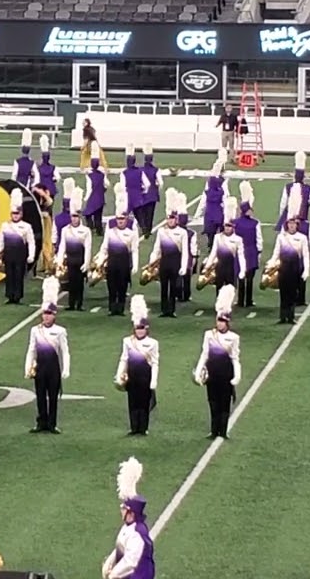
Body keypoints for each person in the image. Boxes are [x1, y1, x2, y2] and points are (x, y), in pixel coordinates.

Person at [193, 286, 241, 440]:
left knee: (224, 404)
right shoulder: (209, 335)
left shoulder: (234, 338)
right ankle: (214, 430)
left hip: (226, 374)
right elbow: (204, 354)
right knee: (213, 402)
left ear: (227, 323)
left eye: (222, 321)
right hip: (212, 374)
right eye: (218, 321)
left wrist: (237, 376)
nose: (219, 324)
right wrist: (199, 370)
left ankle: (223, 431)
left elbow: (235, 358)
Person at [25, 277, 70, 433]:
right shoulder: (35, 330)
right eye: (44, 313)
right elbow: (31, 349)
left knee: (53, 397)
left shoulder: (60, 331)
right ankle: (41, 422)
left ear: (54, 315)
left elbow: (65, 351)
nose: (46, 316)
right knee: (40, 396)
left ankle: (52, 424)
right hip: (40, 368)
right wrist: (28, 367)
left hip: (53, 369)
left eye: (49, 314)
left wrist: (66, 369)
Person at [101, 457, 154, 579]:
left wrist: (114, 574)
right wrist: (110, 563)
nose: (121, 510)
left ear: (131, 513)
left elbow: (130, 562)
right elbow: (121, 548)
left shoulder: (137, 533)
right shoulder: (128, 527)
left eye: (124, 509)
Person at [117, 296, 159, 436]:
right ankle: (134, 427)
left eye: (142, 329)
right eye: (137, 329)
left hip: (145, 376)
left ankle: (143, 428)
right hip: (132, 376)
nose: (139, 331)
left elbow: (155, 363)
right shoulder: (127, 341)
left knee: (144, 402)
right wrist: (119, 374)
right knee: (132, 401)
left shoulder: (153, 343)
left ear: (146, 329)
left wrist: (154, 380)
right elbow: (124, 359)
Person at [271, 187, 310, 324]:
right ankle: (282, 317)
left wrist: (306, 270)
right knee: (283, 293)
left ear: (297, 225)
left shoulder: (302, 238)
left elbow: (305, 255)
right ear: (287, 225)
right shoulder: (281, 237)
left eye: (294, 224)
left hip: (295, 269)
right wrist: (271, 264)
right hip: (283, 268)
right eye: (290, 224)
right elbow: (276, 253)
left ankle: (291, 316)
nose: (292, 226)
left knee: (293, 293)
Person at [99, 184, 141, 316]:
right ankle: (112, 308)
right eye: (118, 219)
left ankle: (120, 308)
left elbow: (134, 249)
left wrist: (135, 265)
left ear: (126, 219)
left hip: (124, 263)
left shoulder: (131, 232)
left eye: (122, 219)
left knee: (122, 286)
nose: (120, 221)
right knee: (112, 286)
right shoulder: (110, 231)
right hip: (112, 262)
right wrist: (100, 260)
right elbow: (104, 246)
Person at [150, 189, 189, 318]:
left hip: (175, 263)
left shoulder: (182, 233)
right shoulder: (161, 232)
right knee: (163, 287)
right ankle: (164, 309)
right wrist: (152, 260)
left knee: (173, 287)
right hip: (164, 263)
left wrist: (184, 266)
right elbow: (157, 248)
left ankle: (171, 310)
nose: (170, 221)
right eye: (168, 219)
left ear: (176, 219)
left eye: (172, 219)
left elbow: (185, 252)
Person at [0, 188, 37, 305]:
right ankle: (10, 296)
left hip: (20, 255)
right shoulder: (5, 226)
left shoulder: (26, 226)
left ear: (21, 214)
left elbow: (31, 242)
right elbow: (0, 241)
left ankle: (18, 296)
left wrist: (31, 255)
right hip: (8, 255)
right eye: (13, 214)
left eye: (17, 214)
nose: (15, 216)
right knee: (9, 275)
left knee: (19, 276)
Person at [56, 186, 93, 311]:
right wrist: (60, 261)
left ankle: (79, 304)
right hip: (70, 261)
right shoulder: (66, 230)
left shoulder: (85, 231)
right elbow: (62, 246)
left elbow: (88, 248)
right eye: (72, 216)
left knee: (79, 284)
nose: (74, 219)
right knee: (71, 283)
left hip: (80, 260)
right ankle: (71, 304)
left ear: (80, 217)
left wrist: (86, 263)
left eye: (76, 216)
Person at [203, 197, 247, 294]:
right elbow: (213, 253)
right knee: (219, 289)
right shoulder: (218, 237)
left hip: (231, 268)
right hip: (220, 268)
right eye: (226, 226)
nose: (227, 228)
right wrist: (207, 266)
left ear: (233, 228)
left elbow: (241, 255)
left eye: (229, 227)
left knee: (230, 290)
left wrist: (243, 270)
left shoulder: (238, 239)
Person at [276, 150, 310, 230]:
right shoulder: (308, 187)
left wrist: (281, 215)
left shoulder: (289, 186)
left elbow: (283, 203)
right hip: (302, 216)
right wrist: (306, 202)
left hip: (290, 217)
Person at [201, 152, 228, 247]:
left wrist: (200, 211)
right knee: (220, 228)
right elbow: (225, 199)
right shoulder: (221, 188)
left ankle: (210, 243)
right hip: (218, 211)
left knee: (210, 229)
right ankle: (218, 244)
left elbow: (203, 201)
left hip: (209, 211)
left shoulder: (208, 190)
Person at [84, 146, 108, 236]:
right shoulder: (102, 174)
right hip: (101, 198)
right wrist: (102, 190)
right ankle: (99, 231)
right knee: (98, 216)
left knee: (87, 214)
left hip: (92, 198)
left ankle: (90, 227)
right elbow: (106, 184)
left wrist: (86, 198)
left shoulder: (89, 176)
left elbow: (89, 188)